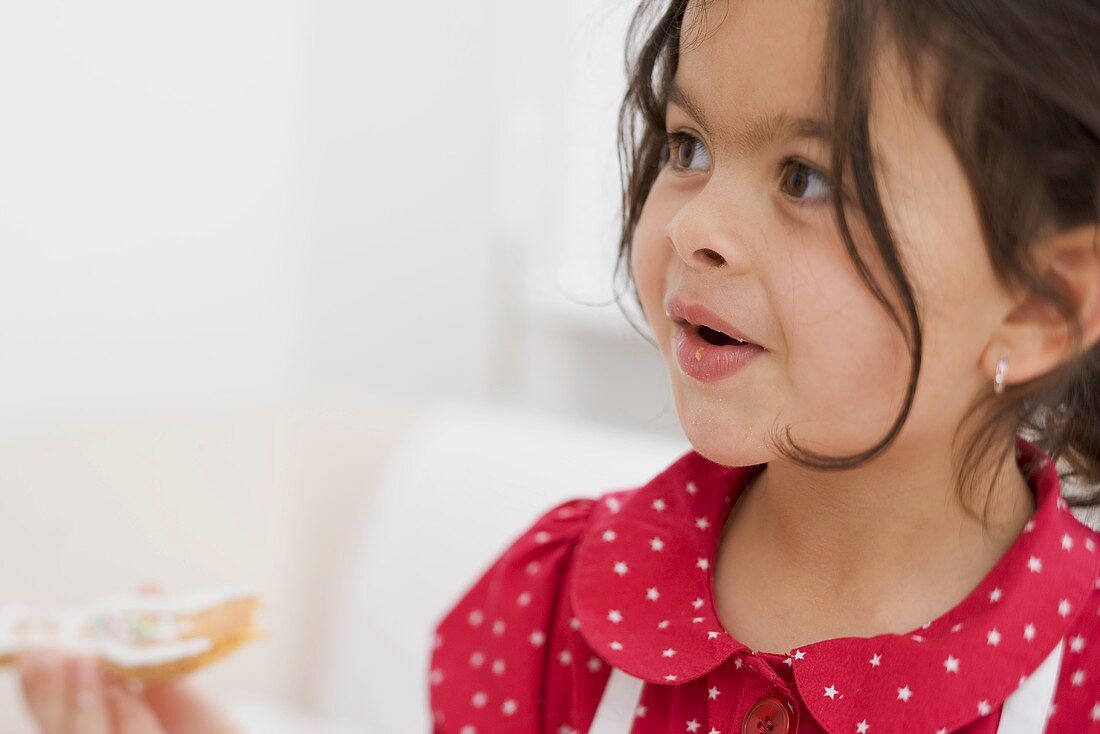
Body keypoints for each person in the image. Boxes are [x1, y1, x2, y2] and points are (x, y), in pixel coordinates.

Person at [427, 0, 1100, 731]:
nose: (694, 228)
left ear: (1039, 308)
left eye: (804, 178)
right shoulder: (553, 611)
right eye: (689, 147)